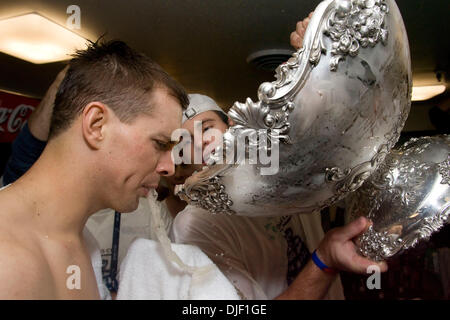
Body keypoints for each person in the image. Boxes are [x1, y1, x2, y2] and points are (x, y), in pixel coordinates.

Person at [0, 39, 189, 299]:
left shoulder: (84, 242)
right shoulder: (7, 254)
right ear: (97, 125)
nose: (169, 167)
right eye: (159, 143)